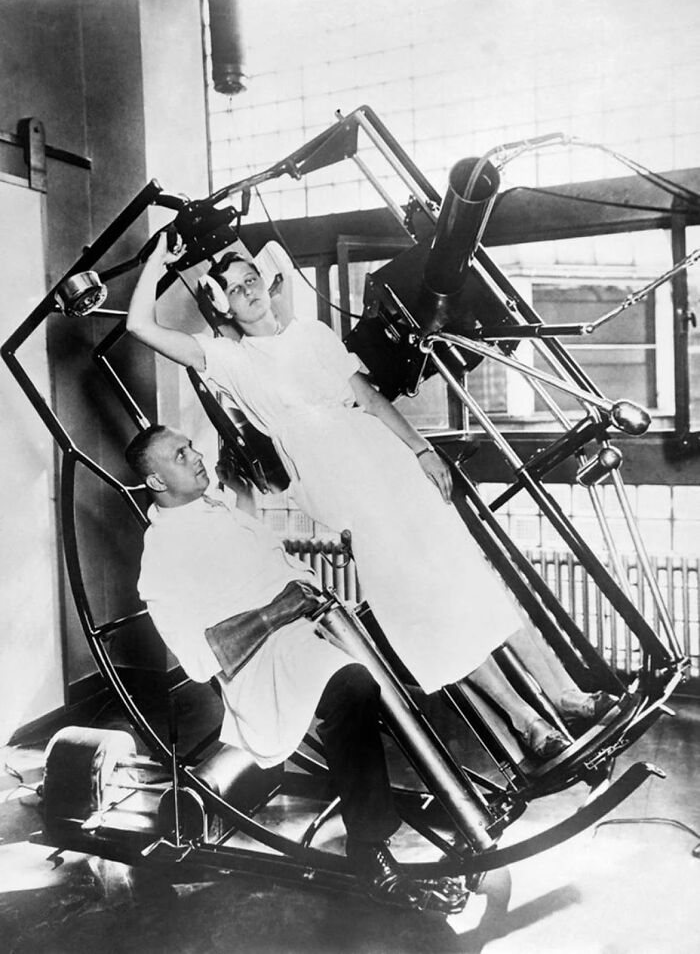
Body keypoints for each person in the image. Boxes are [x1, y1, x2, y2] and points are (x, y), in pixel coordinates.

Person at [126, 235, 613, 758]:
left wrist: (421, 448)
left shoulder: (313, 335)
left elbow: (369, 398)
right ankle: (527, 723)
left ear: (267, 284)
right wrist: (159, 257)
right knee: (425, 613)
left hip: (388, 465)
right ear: (222, 303)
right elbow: (141, 326)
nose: (248, 291)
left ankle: (566, 696)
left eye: (252, 280)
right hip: (343, 492)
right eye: (234, 288)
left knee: (471, 583)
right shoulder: (227, 360)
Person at [127, 424, 469, 914]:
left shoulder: (214, 506)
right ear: (157, 482)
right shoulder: (162, 557)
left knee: (418, 616)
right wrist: (278, 610)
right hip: (265, 666)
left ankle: (479, 788)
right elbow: (204, 659)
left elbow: (260, 559)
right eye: (180, 456)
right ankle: (371, 852)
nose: (196, 456)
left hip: (309, 624)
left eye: (190, 446)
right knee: (354, 686)